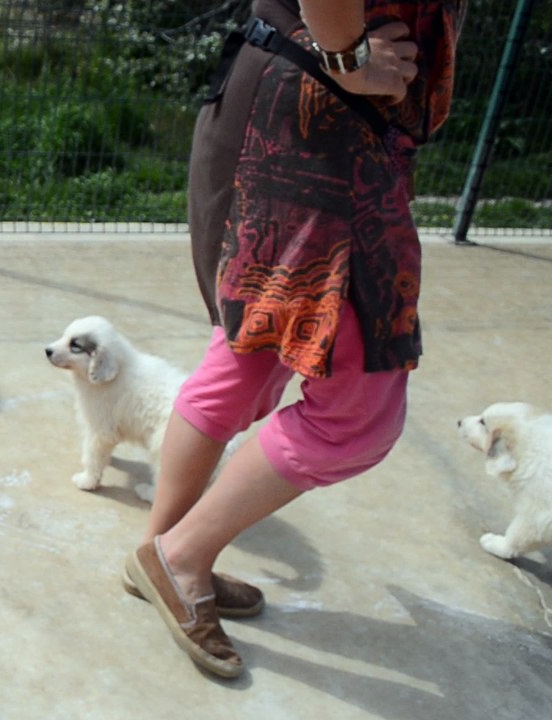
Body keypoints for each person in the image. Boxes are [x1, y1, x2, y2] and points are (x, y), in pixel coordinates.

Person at [122, 0, 466, 679]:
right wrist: (350, 59)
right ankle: (181, 557)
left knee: (250, 349)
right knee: (356, 415)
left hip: (300, 96)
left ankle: (160, 552)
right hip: (324, 107)